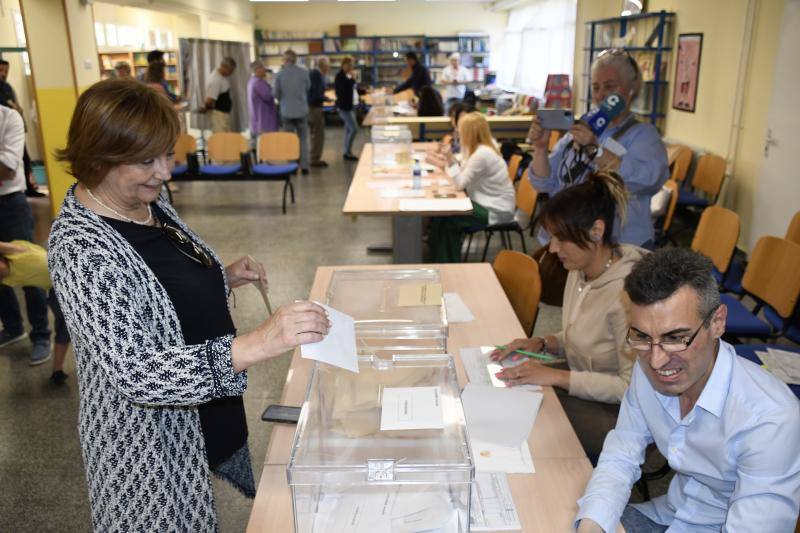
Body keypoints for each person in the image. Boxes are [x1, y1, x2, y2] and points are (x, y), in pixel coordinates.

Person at [49, 79, 330, 531]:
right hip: (145, 446)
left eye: (166, 154)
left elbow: (155, 290)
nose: (164, 171)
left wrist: (218, 276)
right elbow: (137, 373)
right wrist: (258, 342)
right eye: (147, 160)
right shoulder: (80, 249)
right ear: (99, 156)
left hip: (199, 414)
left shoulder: (146, 203)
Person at [575, 248, 800, 533]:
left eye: (676, 338)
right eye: (642, 336)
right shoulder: (649, 368)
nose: (657, 361)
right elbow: (621, 454)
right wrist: (591, 526)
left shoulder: (770, 419)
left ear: (717, 322)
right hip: (668, 515)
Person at [490, 171, 644, 458]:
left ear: (596, 231)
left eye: (562, 238)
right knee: (507, 395)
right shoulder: (581, 269)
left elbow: (629, 387)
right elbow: (589, 336)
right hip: (582, 381)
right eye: (552, 237)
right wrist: (544, 342)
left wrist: (557, 376)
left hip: (621, 413)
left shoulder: (629, 294)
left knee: (528, 426)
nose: (553, 248)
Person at [527, 48, 668, 249]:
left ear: (631, 89)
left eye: (610, 86)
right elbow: (543, 183)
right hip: (565, 242)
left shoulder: (644, 136)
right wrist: (540, 148)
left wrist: (596, 150)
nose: (602, 95)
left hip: (616, 248)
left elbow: (647, 181)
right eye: (596, 87)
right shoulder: (584, 126)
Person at [426, 112, 515, 262]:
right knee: (442, 216)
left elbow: (460, 183)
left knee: (448, 218)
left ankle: (446, 262)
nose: (457, 134)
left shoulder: (482, 154)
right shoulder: (481, 148)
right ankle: (438, 257)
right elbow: (461, 168)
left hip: (494, 210)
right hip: (486, 203)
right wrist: (450, 160)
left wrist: (449, 159)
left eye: (460, 131)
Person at [0, 104, 51, 364]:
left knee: (29, 268)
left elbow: (6, 168)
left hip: (10, 202)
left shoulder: (9, 118)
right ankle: (12, 327)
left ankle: (41, 335)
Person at [0, 240, 71, 384]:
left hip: (69, 273)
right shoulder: (7, 280)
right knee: (64, 328)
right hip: (57, 291)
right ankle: (57, 371)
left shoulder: (16, 252)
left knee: (67, 328)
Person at [274, 50, 311, 175]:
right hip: (302, 110)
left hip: (286, 112)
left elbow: (276, 94)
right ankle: (304, 165)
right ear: (295, 60)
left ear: (285, 60)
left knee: (289, 139)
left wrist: (284, 100)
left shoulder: (279, 75)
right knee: (303, 139)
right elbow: (307, 88)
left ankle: (292, 165)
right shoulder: (304, 73)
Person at [201, 57, 237, 134]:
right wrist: (205, 107)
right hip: (218, 115)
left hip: (222, 114)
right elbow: (210, 99)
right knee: (220, 139)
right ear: (225, 67)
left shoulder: (220, 77)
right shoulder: (216, 79)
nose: (231, 73)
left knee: (226, 139)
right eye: (231, 71)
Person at [334, 56, 359, 162]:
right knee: (354, 128)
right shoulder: (340, 76)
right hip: (343, 107)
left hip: (349, 106)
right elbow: (344, 89)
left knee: (348, 129)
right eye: (348, 65)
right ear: (343, 65)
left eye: (351, 65)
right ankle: (347, 152)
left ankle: (346, 151)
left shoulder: (346, 76)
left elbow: (351, 89)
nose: (350, 67)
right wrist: (353, 78)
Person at [307, 57, 331, 168]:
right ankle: (314, 159)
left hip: (311, 107)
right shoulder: (316, 76)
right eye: (328, 65)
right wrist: (325, 99)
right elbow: (315, 95)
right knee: (318, 134)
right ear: (323, 66)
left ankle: (313, 157)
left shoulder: (314, 74)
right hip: (314, 108)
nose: (329, 68)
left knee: (314, 134)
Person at [247, 60, 278, 141]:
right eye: (263, 68)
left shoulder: (251, 81)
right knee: (269, 148)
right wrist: (275, 88)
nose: (265, 70)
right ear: (258, 69)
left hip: (258, 121)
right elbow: (268, 96)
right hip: (264, 122)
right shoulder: (258, 83)